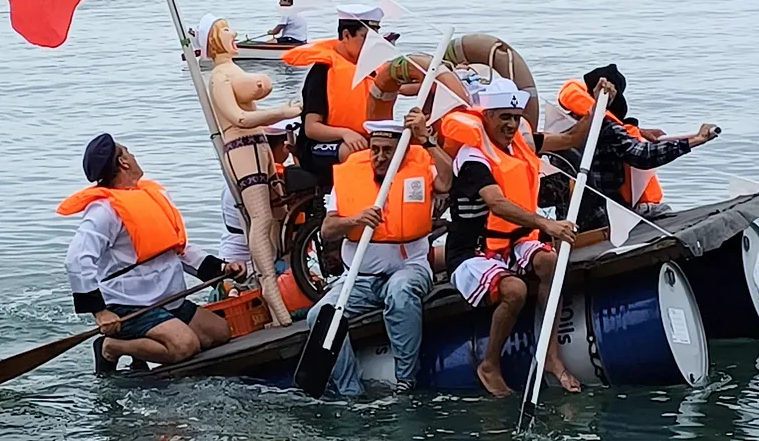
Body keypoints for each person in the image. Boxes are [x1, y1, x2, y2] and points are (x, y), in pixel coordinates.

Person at [445, 78, 581, 398]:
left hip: (513, 243)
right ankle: (490, 364)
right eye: (503, 116)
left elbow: (575, 137)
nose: (510, 124)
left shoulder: (519, 144)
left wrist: (600, 101)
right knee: (515, 290)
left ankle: (551, 356)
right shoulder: (472, 156)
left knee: (550, 262)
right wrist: (547, 225)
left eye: (515, 117)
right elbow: (496, 203)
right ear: (487, 116)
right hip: (472, 251)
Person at [60, 133, 236, 374]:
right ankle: (111, 347)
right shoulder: (104, 211)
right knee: (186, 345)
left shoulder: (152, 197)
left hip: (166, 298)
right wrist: (100, 312)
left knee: (220, 333)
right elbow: (77, 259)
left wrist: (221, 268)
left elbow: (178, 249)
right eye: (129, 152)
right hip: (129, 305)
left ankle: (143, 350)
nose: (133, 156)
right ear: (124, 162)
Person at [309, 110, 453, 395]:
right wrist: (355, 221)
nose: (380, 156)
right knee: (319, 315)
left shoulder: (420, 165)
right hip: (359, 278)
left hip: (408, 268)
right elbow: (327, 230)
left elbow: (447, 182)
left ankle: (405, 382)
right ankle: (350, 391)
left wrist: (428, 141)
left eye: (388, 150)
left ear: (401, 149)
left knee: (400, 292)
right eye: (375, 149)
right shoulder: (351, 173)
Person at [202, 15, 301, 326]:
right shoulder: (219, 78)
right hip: (242, 149)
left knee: (278, 210)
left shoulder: (234, 69)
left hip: (259, 146)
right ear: (214, 39)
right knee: (259, 218)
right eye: (226, 29)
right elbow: (239, 118)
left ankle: (284, 273)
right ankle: (271, 290)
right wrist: (281, 112)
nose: (233, 33)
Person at [557, 65, 719, 230]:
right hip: (604, 216)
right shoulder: (608, 128)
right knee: (663, 211)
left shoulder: (562, 125)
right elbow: (642, 156)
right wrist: (696, 140)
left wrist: (637, 132)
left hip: (568, 217)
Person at [283, 5, 384, 188]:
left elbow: (406, 87)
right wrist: (345, 133)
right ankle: (351, 207)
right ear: (346, 35)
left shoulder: (374, 70)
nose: (372, 44)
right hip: (318, 146)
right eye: (366, 37)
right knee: (356, 154)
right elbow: (311, 128)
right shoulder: (323, 72)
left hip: (364, 138)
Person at [218, 122, 292, 267]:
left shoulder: (239, 175)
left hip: (231, 253)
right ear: (284, 147)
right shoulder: (269, 181)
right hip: (250, 258)